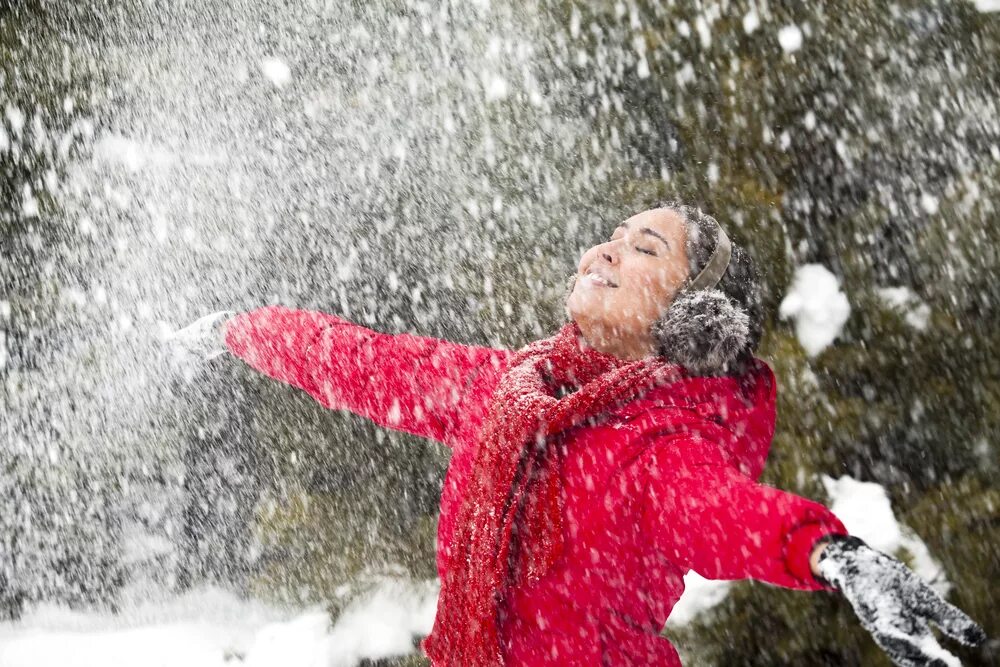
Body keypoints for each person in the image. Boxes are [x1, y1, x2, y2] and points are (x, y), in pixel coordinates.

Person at [168, 204, 985, 667]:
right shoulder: (513, 390)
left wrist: (831, 552)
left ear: (692, 320)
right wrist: (243, 329)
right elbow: (368, 363)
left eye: (645, 247)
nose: (606, 247)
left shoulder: (658, 449)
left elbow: (722, 511)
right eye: (613, 232)